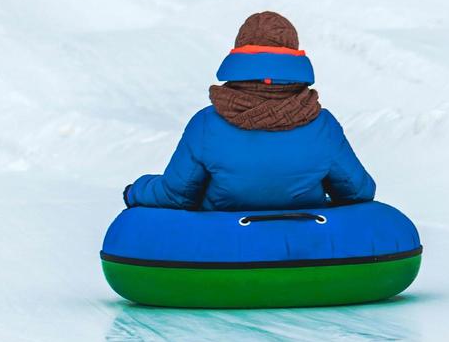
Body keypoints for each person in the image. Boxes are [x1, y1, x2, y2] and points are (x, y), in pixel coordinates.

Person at [123, 11, 375, 211]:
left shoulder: (206, 124)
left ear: (239, 56)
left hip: (222, 249)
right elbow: (357, 191)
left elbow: (176, 195)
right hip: (306, 247)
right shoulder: (322, 124)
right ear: (294, 59)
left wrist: (137, 189)